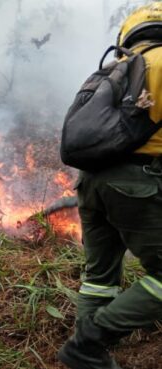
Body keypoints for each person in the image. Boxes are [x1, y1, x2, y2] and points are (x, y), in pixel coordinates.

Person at [58, 3, 162, 369]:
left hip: (91, 184)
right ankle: (91, 340)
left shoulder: (114, 69)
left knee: (99, 279)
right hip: (137, 185)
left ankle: (87, 359)